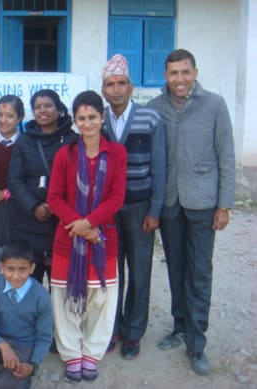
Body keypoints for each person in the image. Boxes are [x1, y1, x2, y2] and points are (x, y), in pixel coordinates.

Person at [147, 49, 235, 376]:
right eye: (174, 74)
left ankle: (197, 344)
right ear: (166, 75)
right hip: (170, 204)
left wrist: (224, 204)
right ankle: (180, 326)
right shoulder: (155, 108)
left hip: (203, 203)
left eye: (185, 73)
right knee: (176, 269)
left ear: (195, 72)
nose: (180, 80)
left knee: (199, 273)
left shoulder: (214, 105)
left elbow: (226, 155)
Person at [47, 91, 127, 382]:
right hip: (68, 238)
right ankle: (71, 354)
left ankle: (92, 353)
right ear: (75, 120)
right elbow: (54, 198)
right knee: (66, 298)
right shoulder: (64, 154)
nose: (87, 122)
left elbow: (117, 197)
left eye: (92, 117)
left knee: (101, 300)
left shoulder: (117, 153)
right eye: (81, 118)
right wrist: (80, 226)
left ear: (102, 118)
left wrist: (90, 224)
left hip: (102, 237)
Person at [100, 54, 167, 358]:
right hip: (108, 212)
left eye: (121, 83)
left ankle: (134, 332)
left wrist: (155, 211)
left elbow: (161, 168)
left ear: (131, 87)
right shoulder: (97, 120)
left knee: (140, 272)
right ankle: (112, 327)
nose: (116, 89)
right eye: (110, 84)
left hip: (140, 208)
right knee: (112, 273)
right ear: (103, 89)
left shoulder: (150, 118)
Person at [8, 89, 78, 284]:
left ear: (59, 109)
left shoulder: (72, 140)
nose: (42, 110)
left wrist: (53, 206)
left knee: (60, 286)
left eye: (48, 105)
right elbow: (14, 180)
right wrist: (34, 206)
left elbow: (75, 181)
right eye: (38, 107)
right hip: (29, 223)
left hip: (61, 222)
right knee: (30, 284)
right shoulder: (24, 140)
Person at [0, 241, 53, 389]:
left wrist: (33, 365)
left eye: (22, 269)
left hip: (24, 347)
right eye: (10, 269)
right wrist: (3, 346)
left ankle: (13, 381)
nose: (16, 276)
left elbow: (44, 337)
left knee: (7, 384)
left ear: (32, 268)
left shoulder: (41, 295)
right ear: (1, 267)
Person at [0, 95, 25, 253]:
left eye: (9, 116)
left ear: (19, 118)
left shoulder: (27, 144)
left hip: (19, 213)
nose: (3, 120)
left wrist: (5, 193)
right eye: (0, 115)